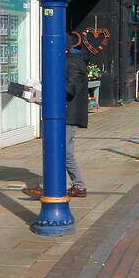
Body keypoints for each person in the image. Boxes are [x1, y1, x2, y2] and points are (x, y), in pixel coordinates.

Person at [26, 43, 88, 199]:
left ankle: (62, 188)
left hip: (67, 116)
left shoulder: (73, 63)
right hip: (64, 114)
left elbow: (70, 89)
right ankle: (76, 186)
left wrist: (47, 85)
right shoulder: (71, 61)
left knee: (61, 152)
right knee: (63, 152)